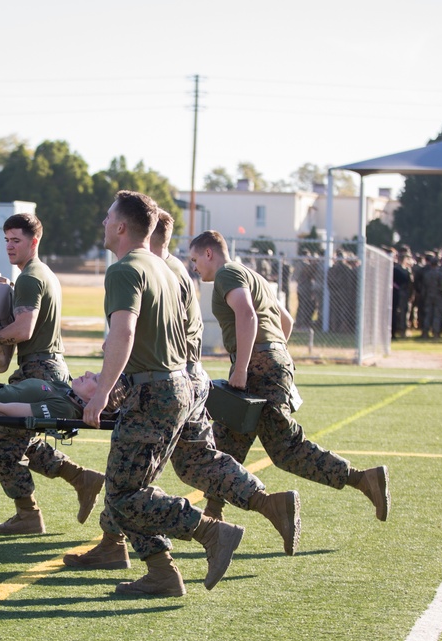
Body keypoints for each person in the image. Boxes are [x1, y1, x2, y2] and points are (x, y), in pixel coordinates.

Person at [65, 209, 300, 572]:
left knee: (131, 483)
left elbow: (131, 336)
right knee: (197, 462)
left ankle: (169, 541)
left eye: (110, 218)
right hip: (187, 380)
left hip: (163, 382)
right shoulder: (172, 269)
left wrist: (106, 386)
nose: (104, 223)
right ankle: (267, 505)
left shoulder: (146, 269)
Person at [78, 191, 246, 598]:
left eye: (107, 217)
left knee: (121, 494)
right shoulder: (164, 269)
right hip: (175, 387)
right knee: (127, 491)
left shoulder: (125, 269)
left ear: (121, 227)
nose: (102, 224)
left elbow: (124, 332)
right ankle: (162, 573)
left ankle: (210, 532)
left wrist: (101, 393)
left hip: (153, 392)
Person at [188, 230, 389, 523]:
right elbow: (287, 321)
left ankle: (362, 479)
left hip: (256, 365)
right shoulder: (251, 274)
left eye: (195, 259)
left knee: (286, 449)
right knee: (227, 442)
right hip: (272, 359)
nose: (194, 267)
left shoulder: (227, 274)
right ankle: (213, 516)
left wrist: (244, 366)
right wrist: (274, 353)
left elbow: (246, 315)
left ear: (209, 253)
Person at [0, 213, 104, 535]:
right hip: (46, 367)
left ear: (34, 241)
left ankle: (28, 516)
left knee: (2, 444)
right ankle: (81, 478)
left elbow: (24, 329)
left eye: (17, 241)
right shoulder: (41, 274)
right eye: (7, 240)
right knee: (16, 440)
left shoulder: (29, 277)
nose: (10, 247)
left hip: (41, 368)